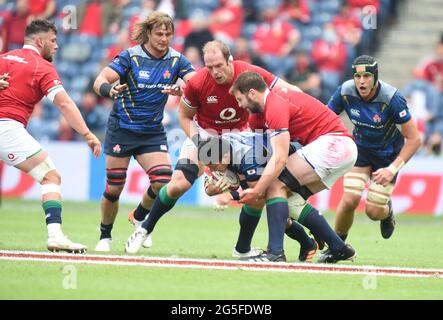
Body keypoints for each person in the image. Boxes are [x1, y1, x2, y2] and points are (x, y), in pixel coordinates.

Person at [124, 40, 301, 255]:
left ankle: (243, 249)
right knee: (180, 183)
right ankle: (143, 229)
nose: (215, 72)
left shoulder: (249, 73)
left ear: (230, 60)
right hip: (205, 133)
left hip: (242, 136)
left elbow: (287, 89)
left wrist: (305, 103)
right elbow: (183, 116)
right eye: (209, 67)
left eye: (219, 65)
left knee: (256, 194)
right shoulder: (198, 83)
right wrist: (203, 144)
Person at [93, 12, 196, 252]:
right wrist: (110, 90)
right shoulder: (131, 56)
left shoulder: (177, 60)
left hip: (151, 131)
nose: (164, 38)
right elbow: (99, 80)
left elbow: (197, 83)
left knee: (163, 182)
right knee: (114, 188)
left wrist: (184, 91)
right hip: (122, 129)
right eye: (159, 33)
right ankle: (105, 236)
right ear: (148, 33)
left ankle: (139, 216)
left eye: (168, 34)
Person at [229, 71, 358, 263]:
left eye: (240, 99)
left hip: (334, 144)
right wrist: (233, 177)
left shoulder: (275, 105)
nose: (240, 105)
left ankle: (275, 253)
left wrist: (257, 190)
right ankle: (339, 247)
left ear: (253, 93)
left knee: (275, 186)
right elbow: (254, 151)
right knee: (290, 202)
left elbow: (279, 159)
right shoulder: (259, 116)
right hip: (340, 149)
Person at [0, 19, 101, 253]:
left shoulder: (4, 58)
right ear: (40, 41)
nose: (56, 46)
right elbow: (64, 104)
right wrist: (87, 134)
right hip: (6, 128)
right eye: (53, 41)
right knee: (50, 177)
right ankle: (55, 235)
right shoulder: (41, 67)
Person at [322, 55, 421, 260]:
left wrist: (392, 169)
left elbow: (414, 139)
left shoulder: (392, 98)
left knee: (373, 212)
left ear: (375, 77)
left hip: (387, 155)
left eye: (367, 76)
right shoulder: (345, 91)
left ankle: (387, 212)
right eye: (357, 76)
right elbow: (323, 118)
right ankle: (337, 248)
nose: (361, 81)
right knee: (349, 199)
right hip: (361, 149)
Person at [200, 132, 353, 263]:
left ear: (226, 156)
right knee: (285, 209)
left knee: (284, 204)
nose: (212, 169)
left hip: (290, 160)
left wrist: (230, 195)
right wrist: (215, 188)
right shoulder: (218, 147)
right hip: (267, 161)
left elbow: (257, 194)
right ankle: (325, 245)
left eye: (214, 165)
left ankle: (255, 250)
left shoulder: (249, 157)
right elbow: (209, 188)